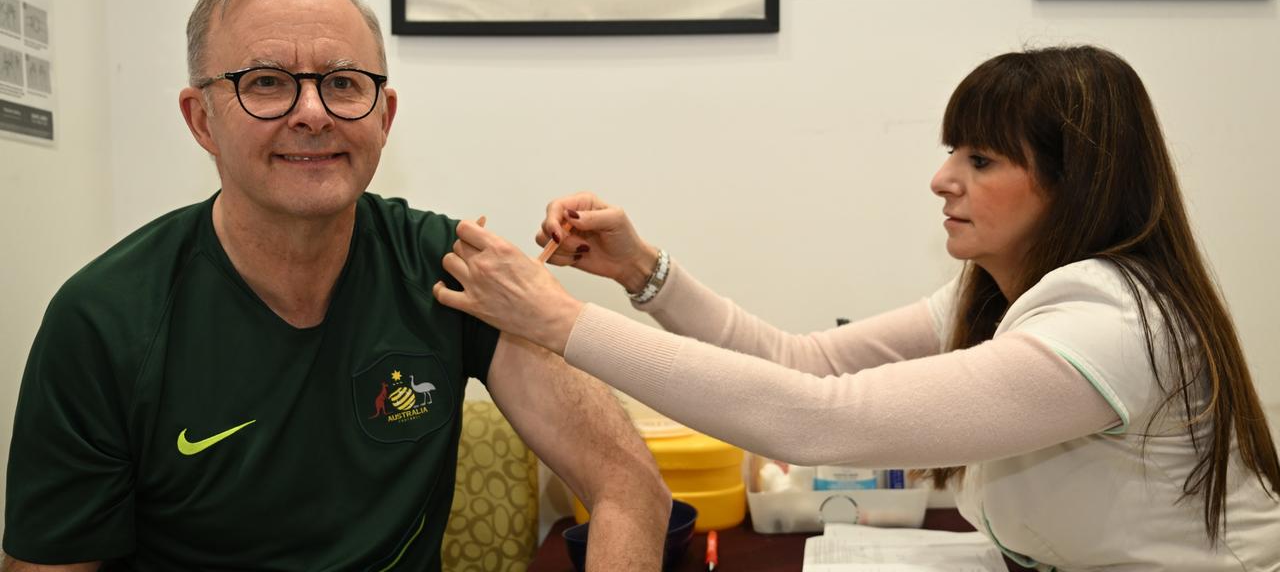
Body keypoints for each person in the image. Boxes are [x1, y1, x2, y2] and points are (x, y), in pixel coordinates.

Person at [434, 46, 1280, 571]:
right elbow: (810, 365)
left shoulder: (1112, 325)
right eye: (953, 151)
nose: (943, 178)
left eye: (981, 159)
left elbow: (820, 422)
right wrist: (642, 272)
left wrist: (557, 322)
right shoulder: (1004, 291)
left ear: (1076, 183)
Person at [1, 0, 670, 571]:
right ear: (201, 119)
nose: (312, 113)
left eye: (343, 84)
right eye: (266, 83)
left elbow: (628, 485)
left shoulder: (450, 268)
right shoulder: (104, 320)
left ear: (383, 116)